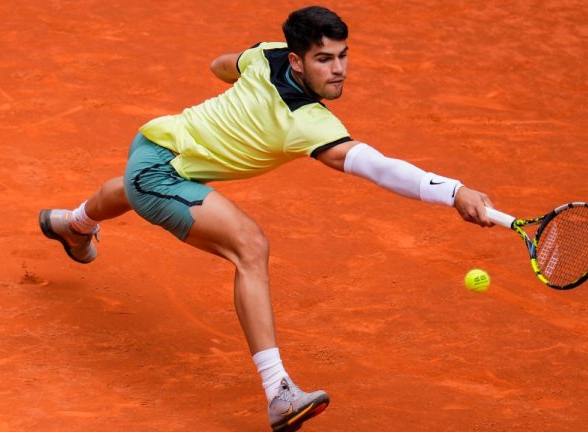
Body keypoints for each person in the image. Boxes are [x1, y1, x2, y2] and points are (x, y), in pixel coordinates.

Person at [39, 6, 494, 431]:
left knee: (131, 189)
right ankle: (279, 391)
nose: (337, 70)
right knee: (250, 246)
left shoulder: (265, 55)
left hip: (153, 141)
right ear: (297, 62)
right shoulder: (310, 123)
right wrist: (453, 191)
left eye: (342, 56)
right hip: (160, 170)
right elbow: (379, 167)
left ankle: (73, 224)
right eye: (323, 59)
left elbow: (221, 65)